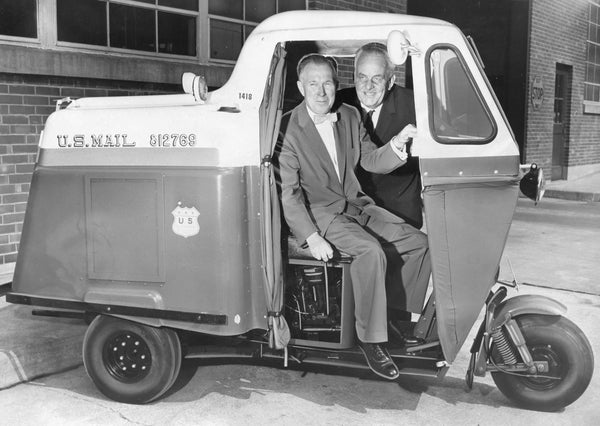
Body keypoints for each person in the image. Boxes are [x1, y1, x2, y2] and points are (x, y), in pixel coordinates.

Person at [277, 54, 431, 380]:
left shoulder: (347, 114)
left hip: (356, 205)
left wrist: (397, 146)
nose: (321, 92)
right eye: (313, 84)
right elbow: (288, 194)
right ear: (300, 86)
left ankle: (390, 318)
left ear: (337, 84)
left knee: (418, 244)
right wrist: (311, 235)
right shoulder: (287, 128)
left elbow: (371, 160)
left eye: (328, 83)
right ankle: (370, 340)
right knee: (370, 252)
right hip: (321, 216)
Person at [338, 42, 423, 230]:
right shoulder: (337, 102)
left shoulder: (415, 105)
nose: (368, 86)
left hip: (399, 212)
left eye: (377, 78)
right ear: (354, 77)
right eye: (362, 77)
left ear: (390, 81)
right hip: (351, 212)